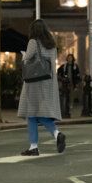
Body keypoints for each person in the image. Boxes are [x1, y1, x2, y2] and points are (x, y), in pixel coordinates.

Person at [18, 19, 66, 156]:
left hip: (34, 82)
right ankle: (57, 134)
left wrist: (23, 56)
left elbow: (27, 58)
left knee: (32, 114)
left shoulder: (33, 42)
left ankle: (34, 147)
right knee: (40, 113)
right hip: (48, 82)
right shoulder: (51, 44)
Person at [57, 53, 81, 117]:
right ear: (67, 59)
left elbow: (78, 75)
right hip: (65, 83)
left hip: (72, 83)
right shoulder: (64, 66)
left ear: (73, 58)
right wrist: (61, 78)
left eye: (71, 58)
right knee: (65, 94)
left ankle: (70, 105)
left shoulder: (75, 66)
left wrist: (77, 84)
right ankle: (66, 106)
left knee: (71, 94)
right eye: (69, 58)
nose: (70, 59)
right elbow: (59, 71)